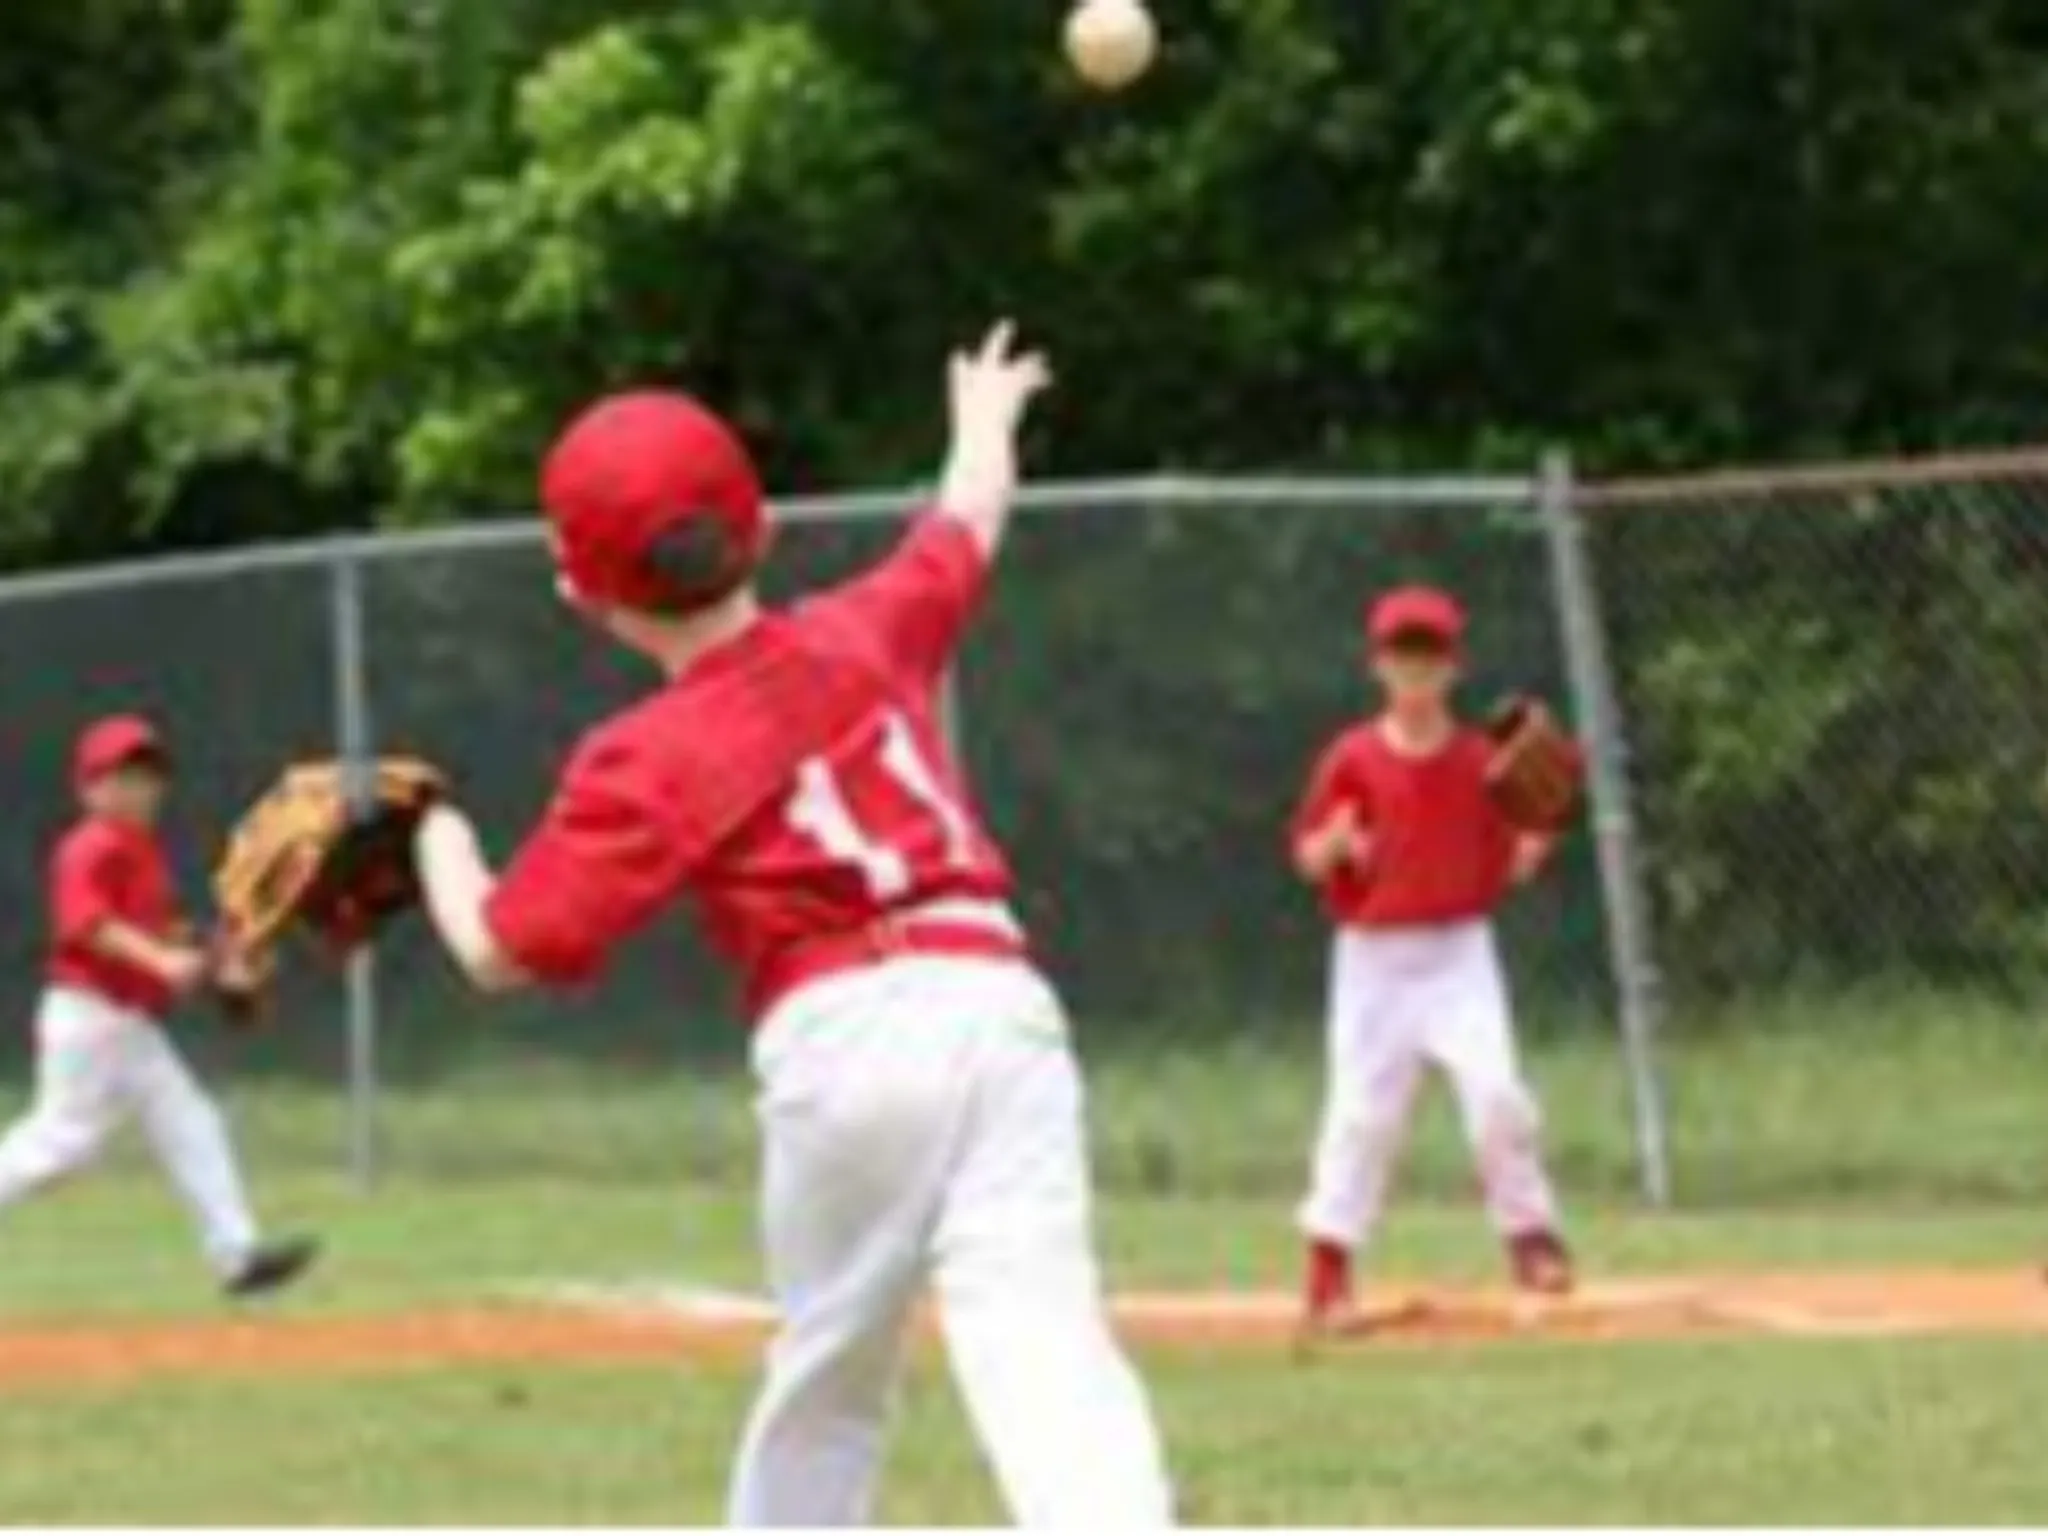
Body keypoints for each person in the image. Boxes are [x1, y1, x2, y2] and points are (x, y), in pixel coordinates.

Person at [409, 322, 1172, 1527]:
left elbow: (503, 948)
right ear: (758, 527)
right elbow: (966, 518)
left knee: (830, 1368)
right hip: (997, 999)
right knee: (1040, 1335)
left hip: (845, 1038)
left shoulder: (644, 758)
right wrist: (982, 415)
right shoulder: (863, 627)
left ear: (580, 591)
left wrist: (435, 841)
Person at [1288, 586, 1574, 1338]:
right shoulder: (1351, 758)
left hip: (1458, 955)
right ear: (1378, 666)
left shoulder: (1482, 764)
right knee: (1360, 1116)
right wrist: (1336, 848)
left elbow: (1511, 862)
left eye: (1430, 656)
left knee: (1497, 1095)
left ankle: (1530, 1237)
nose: (1416, 672)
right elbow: (1309, 857)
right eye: (1402, 655)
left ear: (1453, 669)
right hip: (1373, 961)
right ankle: (1329, 1270)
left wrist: (1535, 845)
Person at [0, 714, 318, 1296]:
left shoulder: (140, 849)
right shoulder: (88, 847)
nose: (140, 787)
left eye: (148, 775)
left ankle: (238, 1255)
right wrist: (161, 961)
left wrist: (219, 960)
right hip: (90, 1018)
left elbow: (164, 929)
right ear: (88, 788)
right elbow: (86, 925)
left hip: (125, 1024)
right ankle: (236, 1252)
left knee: (191, 1123)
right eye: (121, 776)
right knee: (58, 1145)